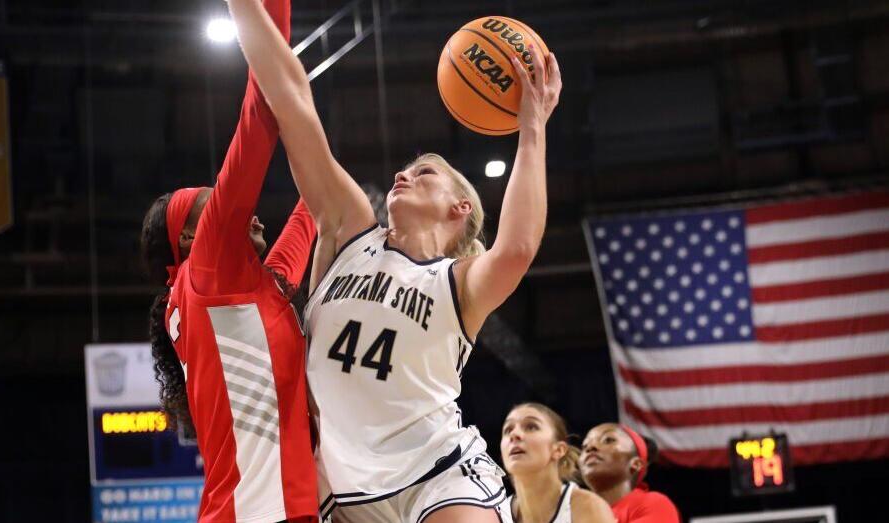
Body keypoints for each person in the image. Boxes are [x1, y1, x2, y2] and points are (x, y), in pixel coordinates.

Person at [226, 0, 562, 520]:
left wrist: (532, 128)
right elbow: (292, 102)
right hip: (346, 487)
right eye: (405, 171)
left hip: (439, 470)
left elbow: (516, 248)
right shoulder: (349, 229)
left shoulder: (458, 282)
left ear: (460, 207)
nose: (403, 175)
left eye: (424, 172)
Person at [139, 0, 319, 520]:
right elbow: (259, 113)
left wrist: (305, 116)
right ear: (197, 234)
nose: (249, 212)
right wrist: (268, 15)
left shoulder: (238, 288)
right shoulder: (207, 270)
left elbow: (311, 214)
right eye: (216, 207)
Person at [499, 403, 615, 523]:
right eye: (508, 430)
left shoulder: (587, 506)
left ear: (559, 450)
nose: (514, 435)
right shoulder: (496, 514)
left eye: (531, 427)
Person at [579, 424, 680, 523]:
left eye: (608, 440)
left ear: (636, 464)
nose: (591, 447)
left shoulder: (654, 504)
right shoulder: (573, 512)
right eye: (584, 446)